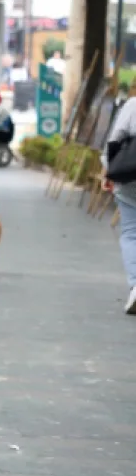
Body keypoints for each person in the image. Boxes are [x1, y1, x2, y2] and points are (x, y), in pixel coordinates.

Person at [104, 88, 136, 314]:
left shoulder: (133, 106)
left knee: (131, 232)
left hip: (131, 177)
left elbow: (114, 140)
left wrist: (108, 171)